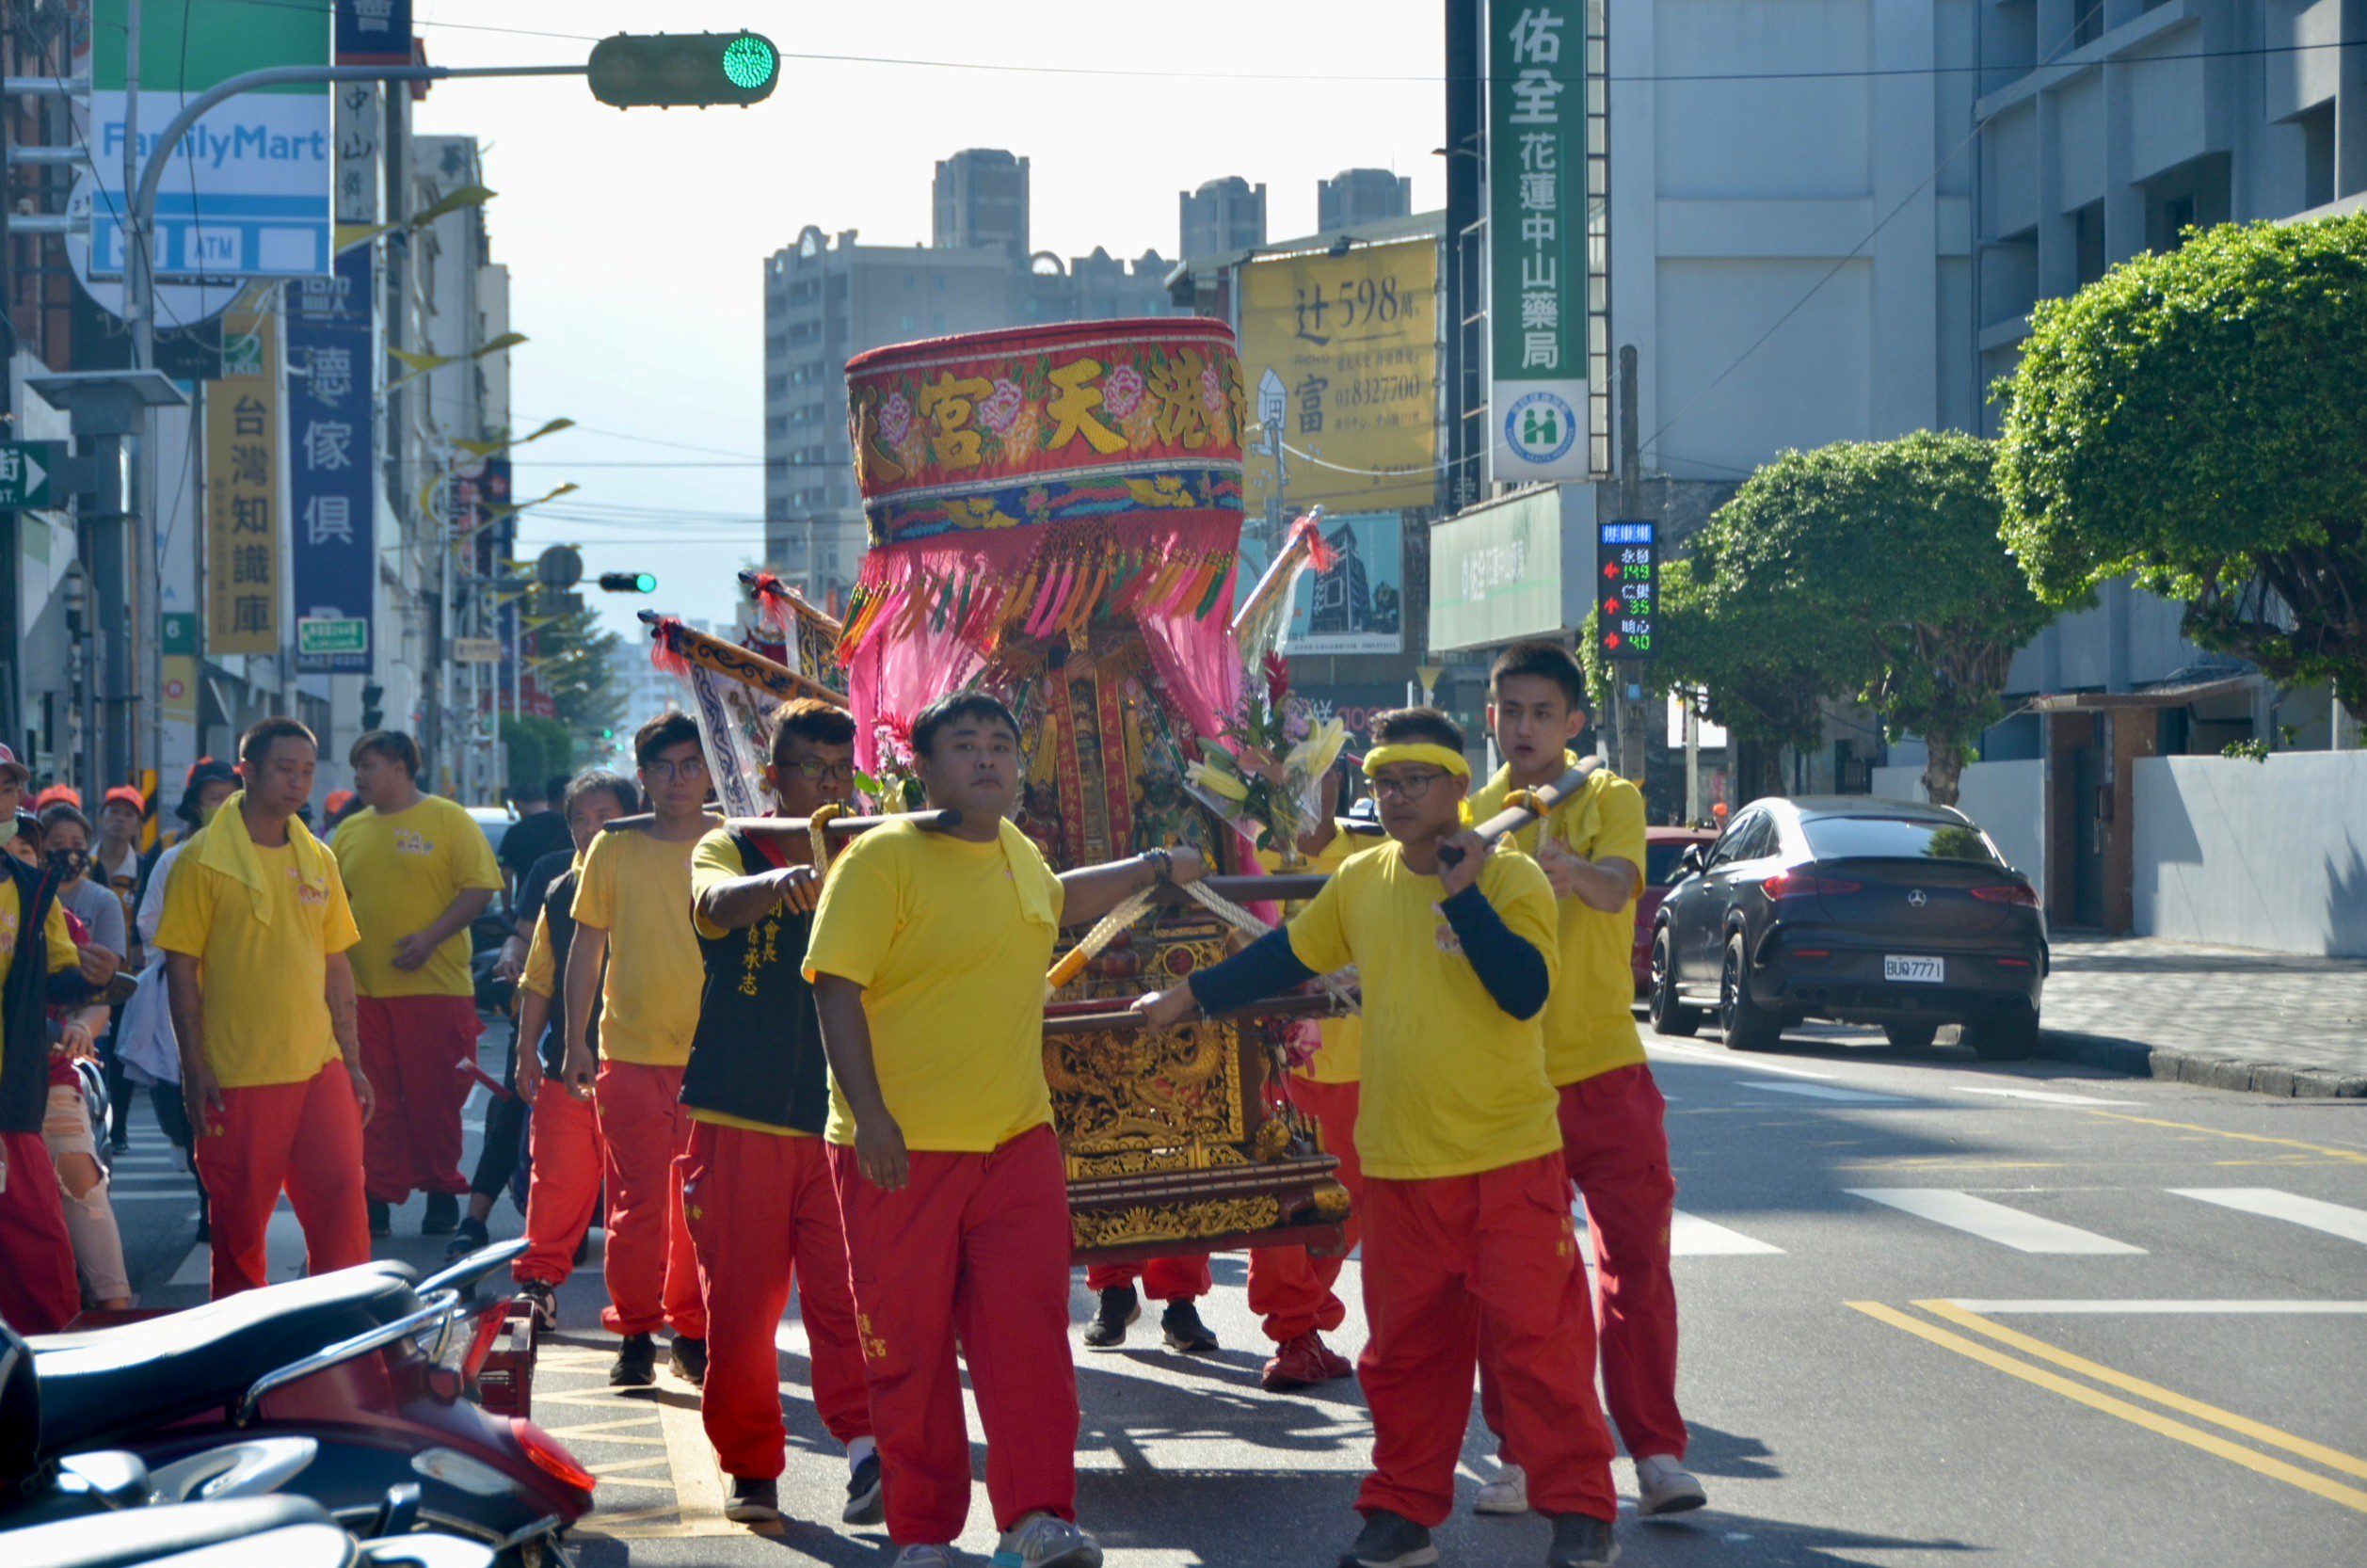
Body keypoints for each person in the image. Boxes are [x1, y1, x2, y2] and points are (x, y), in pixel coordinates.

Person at [1135, 708, 1622, 1568]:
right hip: (1400, 1164)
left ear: (1459, 790)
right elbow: (1287, 955)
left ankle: (1579, 1511)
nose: (1394, 797)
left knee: (1539, 1350)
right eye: (1382, 783)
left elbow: (1522, 993)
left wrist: (1463, 895)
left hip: (1507, 1159)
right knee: (1403, 1360)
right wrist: (1192, 996)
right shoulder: (1362, 879)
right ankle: (1402, 1512)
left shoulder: (1511, 881)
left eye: (1414, 781)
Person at [804, 689, 1207, 1568]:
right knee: (906, 1349)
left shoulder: (1016, 851)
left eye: (999, 744)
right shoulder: (881, 860)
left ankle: (1036, 1519)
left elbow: (1056, 901)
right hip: (898, 1148)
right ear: (923, 765)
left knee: (1027, 1341)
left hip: (1017, 1143)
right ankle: (922, 1534)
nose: (986, 757)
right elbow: (834, 986)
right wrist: (870, 1117)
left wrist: (1151, 867)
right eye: (964, 745)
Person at [1464, 641, 1705, 1520]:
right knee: (1521, 1286)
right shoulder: (1475, 815)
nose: (1523, 727)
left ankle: (1656, 1453)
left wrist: (1571, 872)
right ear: (1491, 717)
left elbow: (1618, 888)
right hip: (1510, 1087)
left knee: (1634, 1269)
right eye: (1510, 711)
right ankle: (1524, 1454)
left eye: (1541, 713)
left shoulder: (1607, 796)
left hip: (1606, 1073)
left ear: (1572, 723)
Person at [682, 698, 877, 1526]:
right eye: (811, 769)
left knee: (853, 1303)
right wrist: (780, 881)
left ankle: (868, 1450)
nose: (829, 785)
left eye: (842, 770)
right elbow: (715, 906)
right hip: (741, 1114)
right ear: (774, 775)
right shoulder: (729, 842)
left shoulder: (879, 847)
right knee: (742, 1305)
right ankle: (752, 1464)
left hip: (846, 1119)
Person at [158, 717, 376, 1300]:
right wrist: (193, 1067)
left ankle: (347, 1348)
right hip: (240, 1070)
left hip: (318, 1066)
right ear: (246, 772)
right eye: (285, 768)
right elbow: (180, 973)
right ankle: (240, 1368)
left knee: (343, 1213)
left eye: (307, 771)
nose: (298, 782)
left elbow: (336, 966)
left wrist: (351, 1062)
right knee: (238, 1234)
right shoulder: (200, 860)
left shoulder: (319, 858)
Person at [562, 712, 718, 1387]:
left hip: (719, 1059)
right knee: (634, 1205)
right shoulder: (614, 848)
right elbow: (585, 949)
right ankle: (633, 1334)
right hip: (626, 1053)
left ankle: (693, 1330)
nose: (678, 780)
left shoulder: (734, 843)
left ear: (709, 771)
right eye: (663, 768)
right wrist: (573, 1040)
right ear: (643, 775)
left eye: (690, 765)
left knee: (701, 1208)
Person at [331, 731, 503, 1239]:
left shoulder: (447, 818)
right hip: (363, 991)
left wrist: (430, 938)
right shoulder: (349, 831)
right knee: (371, 1097)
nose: (359, 776)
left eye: (370, 765)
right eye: (357, 766)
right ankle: (378, 1195)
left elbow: (480, 889)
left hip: (437, 988)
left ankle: (440, 1193)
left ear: (403, 765)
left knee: (436, 1097)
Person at [1244, 786, 1373, 1391]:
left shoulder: (1372, 851)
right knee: (1278, 1199)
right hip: (1273, 1063)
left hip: (1356, 1060)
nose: (1301, 790)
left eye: (1315, 777)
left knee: (1353, 1204)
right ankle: (1295, 1330)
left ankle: (1308, 1319)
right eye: (1290, 777)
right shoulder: (1246, 855)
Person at [508, 770, 636, 1323]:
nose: (590, 829)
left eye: (604, 817)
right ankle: (539, 1282)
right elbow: (539, 977)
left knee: (647, 1192)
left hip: (645, 1061)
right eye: (580, 819)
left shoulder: (660, 877)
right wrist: (525, 1051)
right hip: (568, 1063)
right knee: (555, 1178)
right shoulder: (560, 888)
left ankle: (654, 1304)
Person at [116, 760, 243, 1238]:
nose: (221, 805)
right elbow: (150, 921)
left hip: (241, 994)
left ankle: (224, 1204)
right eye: (212, 797)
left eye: (230, 794)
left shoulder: (260, 853)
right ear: (194, 805)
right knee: (180, 1100)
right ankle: (205, 1187)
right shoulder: (173, 859)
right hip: (183, 991)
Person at [20, 811, 133, 1311]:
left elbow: (94, 989)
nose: (15, 864)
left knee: (81, 1186)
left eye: (25, 853)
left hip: (48, 1075)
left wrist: (82, 1025)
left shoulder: (58, 919)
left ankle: (114, 1307)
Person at [0, 783, 102, 1332]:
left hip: (12, 1094)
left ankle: (57, 1367)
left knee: (40, 1241)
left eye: (7, 787)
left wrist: (93, 976)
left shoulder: (34, 890)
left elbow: (61, 981)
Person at [497, 776, 571, 908]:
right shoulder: (566, 825)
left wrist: (507, 909)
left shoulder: (515, 832)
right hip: (566, 900)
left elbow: (506, 875)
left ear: (517, 804)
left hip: (528, 904)